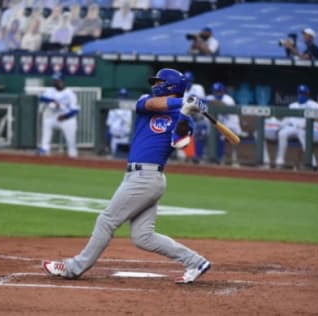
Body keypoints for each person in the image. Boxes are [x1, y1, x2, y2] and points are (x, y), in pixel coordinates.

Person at [42, 68, 211, 284]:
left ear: (170, 86)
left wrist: (186, 114)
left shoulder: (185, 119)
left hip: (148, 177)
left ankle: (73, 268)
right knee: (143, 237)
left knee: (106, 220)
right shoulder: (147, 102)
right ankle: (195, 261)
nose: (154, 85)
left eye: (159, 82)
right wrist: (184, 103)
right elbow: (151, 104)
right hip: (138, 176)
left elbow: (179, 143)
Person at [274, 84, 318, 169]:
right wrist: (280, 126)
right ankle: (280, 161)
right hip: (293, 127)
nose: (301, 95)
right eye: (300, 93)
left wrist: (313, 123)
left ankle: (312, 163)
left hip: (305, 129)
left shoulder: (313, 105)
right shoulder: (292, 105)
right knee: (282, 133)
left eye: (303, 93)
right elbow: (287, 119)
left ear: (307, 94)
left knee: (304, 137)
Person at [38, 72, 80, 158]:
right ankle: (44, 148)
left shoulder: (70, 94)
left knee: (71, 143)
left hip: (67, 118)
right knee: (47, 122)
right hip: (55, 116)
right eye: (55, 81)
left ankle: (73, 155)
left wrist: (65, 116)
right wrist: (52, 100)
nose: (56, 82)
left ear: (62, 81)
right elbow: (41, 97)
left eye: (58, 80)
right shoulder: (50, 91)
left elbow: (75, 110)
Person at [207, 82, 245, 167]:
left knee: (221, 135)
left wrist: (211, 101)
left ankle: (221, 159)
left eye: (219, 91)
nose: (217, 93)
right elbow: (203, 100)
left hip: (233, 126)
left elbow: (221, 105)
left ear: (223, 91)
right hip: (222, 126)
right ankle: (209, 157)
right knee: (207, 131)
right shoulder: (211, 97)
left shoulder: (228, 99)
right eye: (215, 91)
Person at [182, 71, 207, 163]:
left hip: (199, 117)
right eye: (185, 81)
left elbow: (205, 101)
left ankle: (199, 157)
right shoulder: (180, 90)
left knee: (201, 133)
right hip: (187, 118)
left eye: (189, 81)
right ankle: (188, 157)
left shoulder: (198, 88)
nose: (187, 83)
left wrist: (196, 98)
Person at [106, 88, 133, 158]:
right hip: (114, 139)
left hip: (126, 139)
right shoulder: (112, 109)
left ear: (127, 97)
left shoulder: (131, 110)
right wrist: (107, 142)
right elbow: (108, 126)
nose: (122, 98)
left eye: (124, 96)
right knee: (114, 161)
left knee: (125, 159)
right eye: (121, 96)